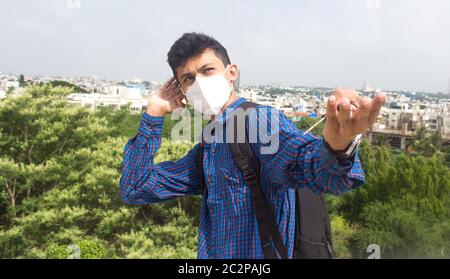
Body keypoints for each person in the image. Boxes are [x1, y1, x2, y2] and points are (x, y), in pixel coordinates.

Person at [119, 32, 386, 259]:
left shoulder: (257, 120)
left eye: (207, 70)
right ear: (182, 92)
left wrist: (338, 147)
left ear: (231, 72)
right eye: (188, 79)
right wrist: (154, 112)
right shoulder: (210, 147)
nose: (199, 82)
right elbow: (135, 188)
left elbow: (314, 168)